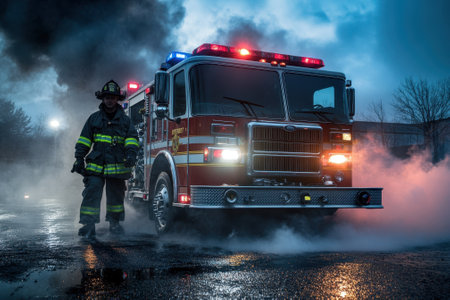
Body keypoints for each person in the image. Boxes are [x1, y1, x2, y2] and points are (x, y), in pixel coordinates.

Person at [71, 80, 139, 238]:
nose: (110, 100)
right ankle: (88, 225)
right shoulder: (94, 119)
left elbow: (132, 139)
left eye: (113, 98)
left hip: (117, 164)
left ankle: (114, 224)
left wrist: (130, 155)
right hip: (97, 165)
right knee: (92, 192)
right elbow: (84, 140)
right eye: (107, 97)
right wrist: (79, 158)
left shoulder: (125, 121)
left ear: (117, 100)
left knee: (116, 196)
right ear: (102, 99)